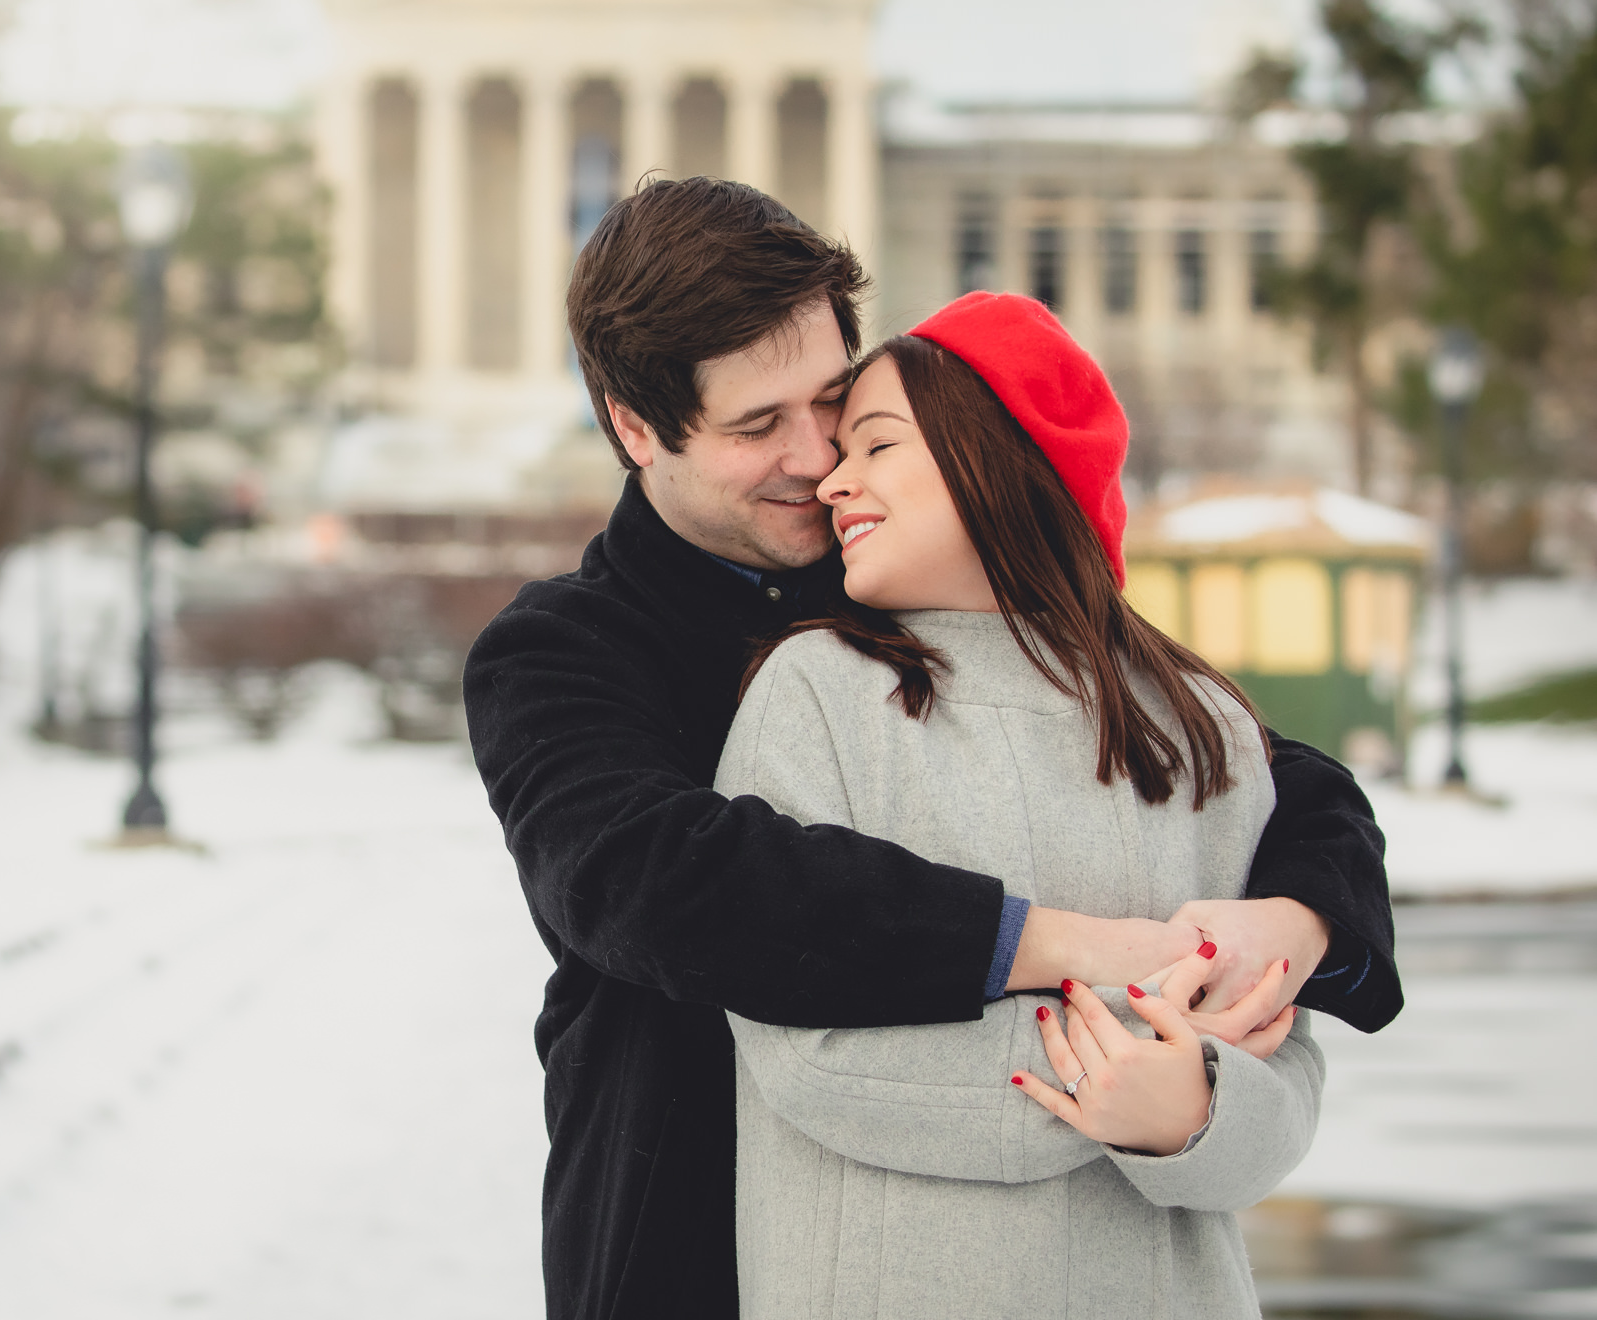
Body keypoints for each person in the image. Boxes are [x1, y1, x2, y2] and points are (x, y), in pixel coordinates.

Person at [462, 177, 1398, 1320]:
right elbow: (665, 884)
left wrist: (1293, 925)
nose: (817, 459)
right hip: (684, 1236)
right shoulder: (563, 650)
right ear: (635, 428)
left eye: (836, 405)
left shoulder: (914, 571)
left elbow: (1277, 780)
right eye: (758, 427)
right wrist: (1080, 953)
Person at [721, 293, 1321, 1317]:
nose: (831, 479)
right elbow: (802, 1041)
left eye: (874, 445)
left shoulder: (1201, 724)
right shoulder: (813, 694)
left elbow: (1286, 1058)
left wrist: (1196, 1113)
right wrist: (1102, 1082)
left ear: (992, 456)